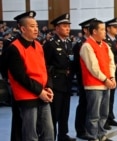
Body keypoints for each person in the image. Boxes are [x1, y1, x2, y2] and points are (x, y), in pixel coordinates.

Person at [6, 10, 54, 141]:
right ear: (22, 29)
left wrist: (49, 86)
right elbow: (20, 76)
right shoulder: (14, 48)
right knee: (30, 134)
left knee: (49, 132)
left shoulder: (38, 45)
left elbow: (45, 69)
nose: (36, 29)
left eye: (37, 26)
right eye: (32, 26)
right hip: (27, 96)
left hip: (42, 93)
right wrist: (40, 91)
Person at [80, 19, 115, 141]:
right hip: (94, 85)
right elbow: (93, 67)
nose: (105, 32)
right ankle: (92, 136)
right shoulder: (87, 46)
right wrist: (106, 79)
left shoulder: (105, 45)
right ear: (94, 31)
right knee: (94, 114)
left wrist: (112, 77)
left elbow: (111, 62)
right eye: (102, 29)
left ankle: (101, 135)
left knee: (104, 113)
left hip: (106, 83)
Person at [43, 13, 76, 141]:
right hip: (55, 83)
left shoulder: (68, 43)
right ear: (57, 28)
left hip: (66, 82)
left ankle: (63, 135)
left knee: (65, 111)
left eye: (68, 26)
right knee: (54, 113)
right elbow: (45, 65)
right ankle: (52, 136)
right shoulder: (50, 44)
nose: (68, 28)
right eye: (64, 26)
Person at [74, 18, 97, 140]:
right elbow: (78, 65)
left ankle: (90, 129)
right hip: (84, 79)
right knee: (83, 104)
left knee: (91, 106)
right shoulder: (81, 44)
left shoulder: (93, 43)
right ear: (85, 30)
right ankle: (81, 129)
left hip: (93, 80)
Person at [104, 17, 117, 130]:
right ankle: (105, 119)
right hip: (107, 72)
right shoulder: (105, 40)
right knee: (106, 99)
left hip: (113, 72)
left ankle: (110, 117)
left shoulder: (114, 40)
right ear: (108, 28)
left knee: (111, 97)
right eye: (114, 27)